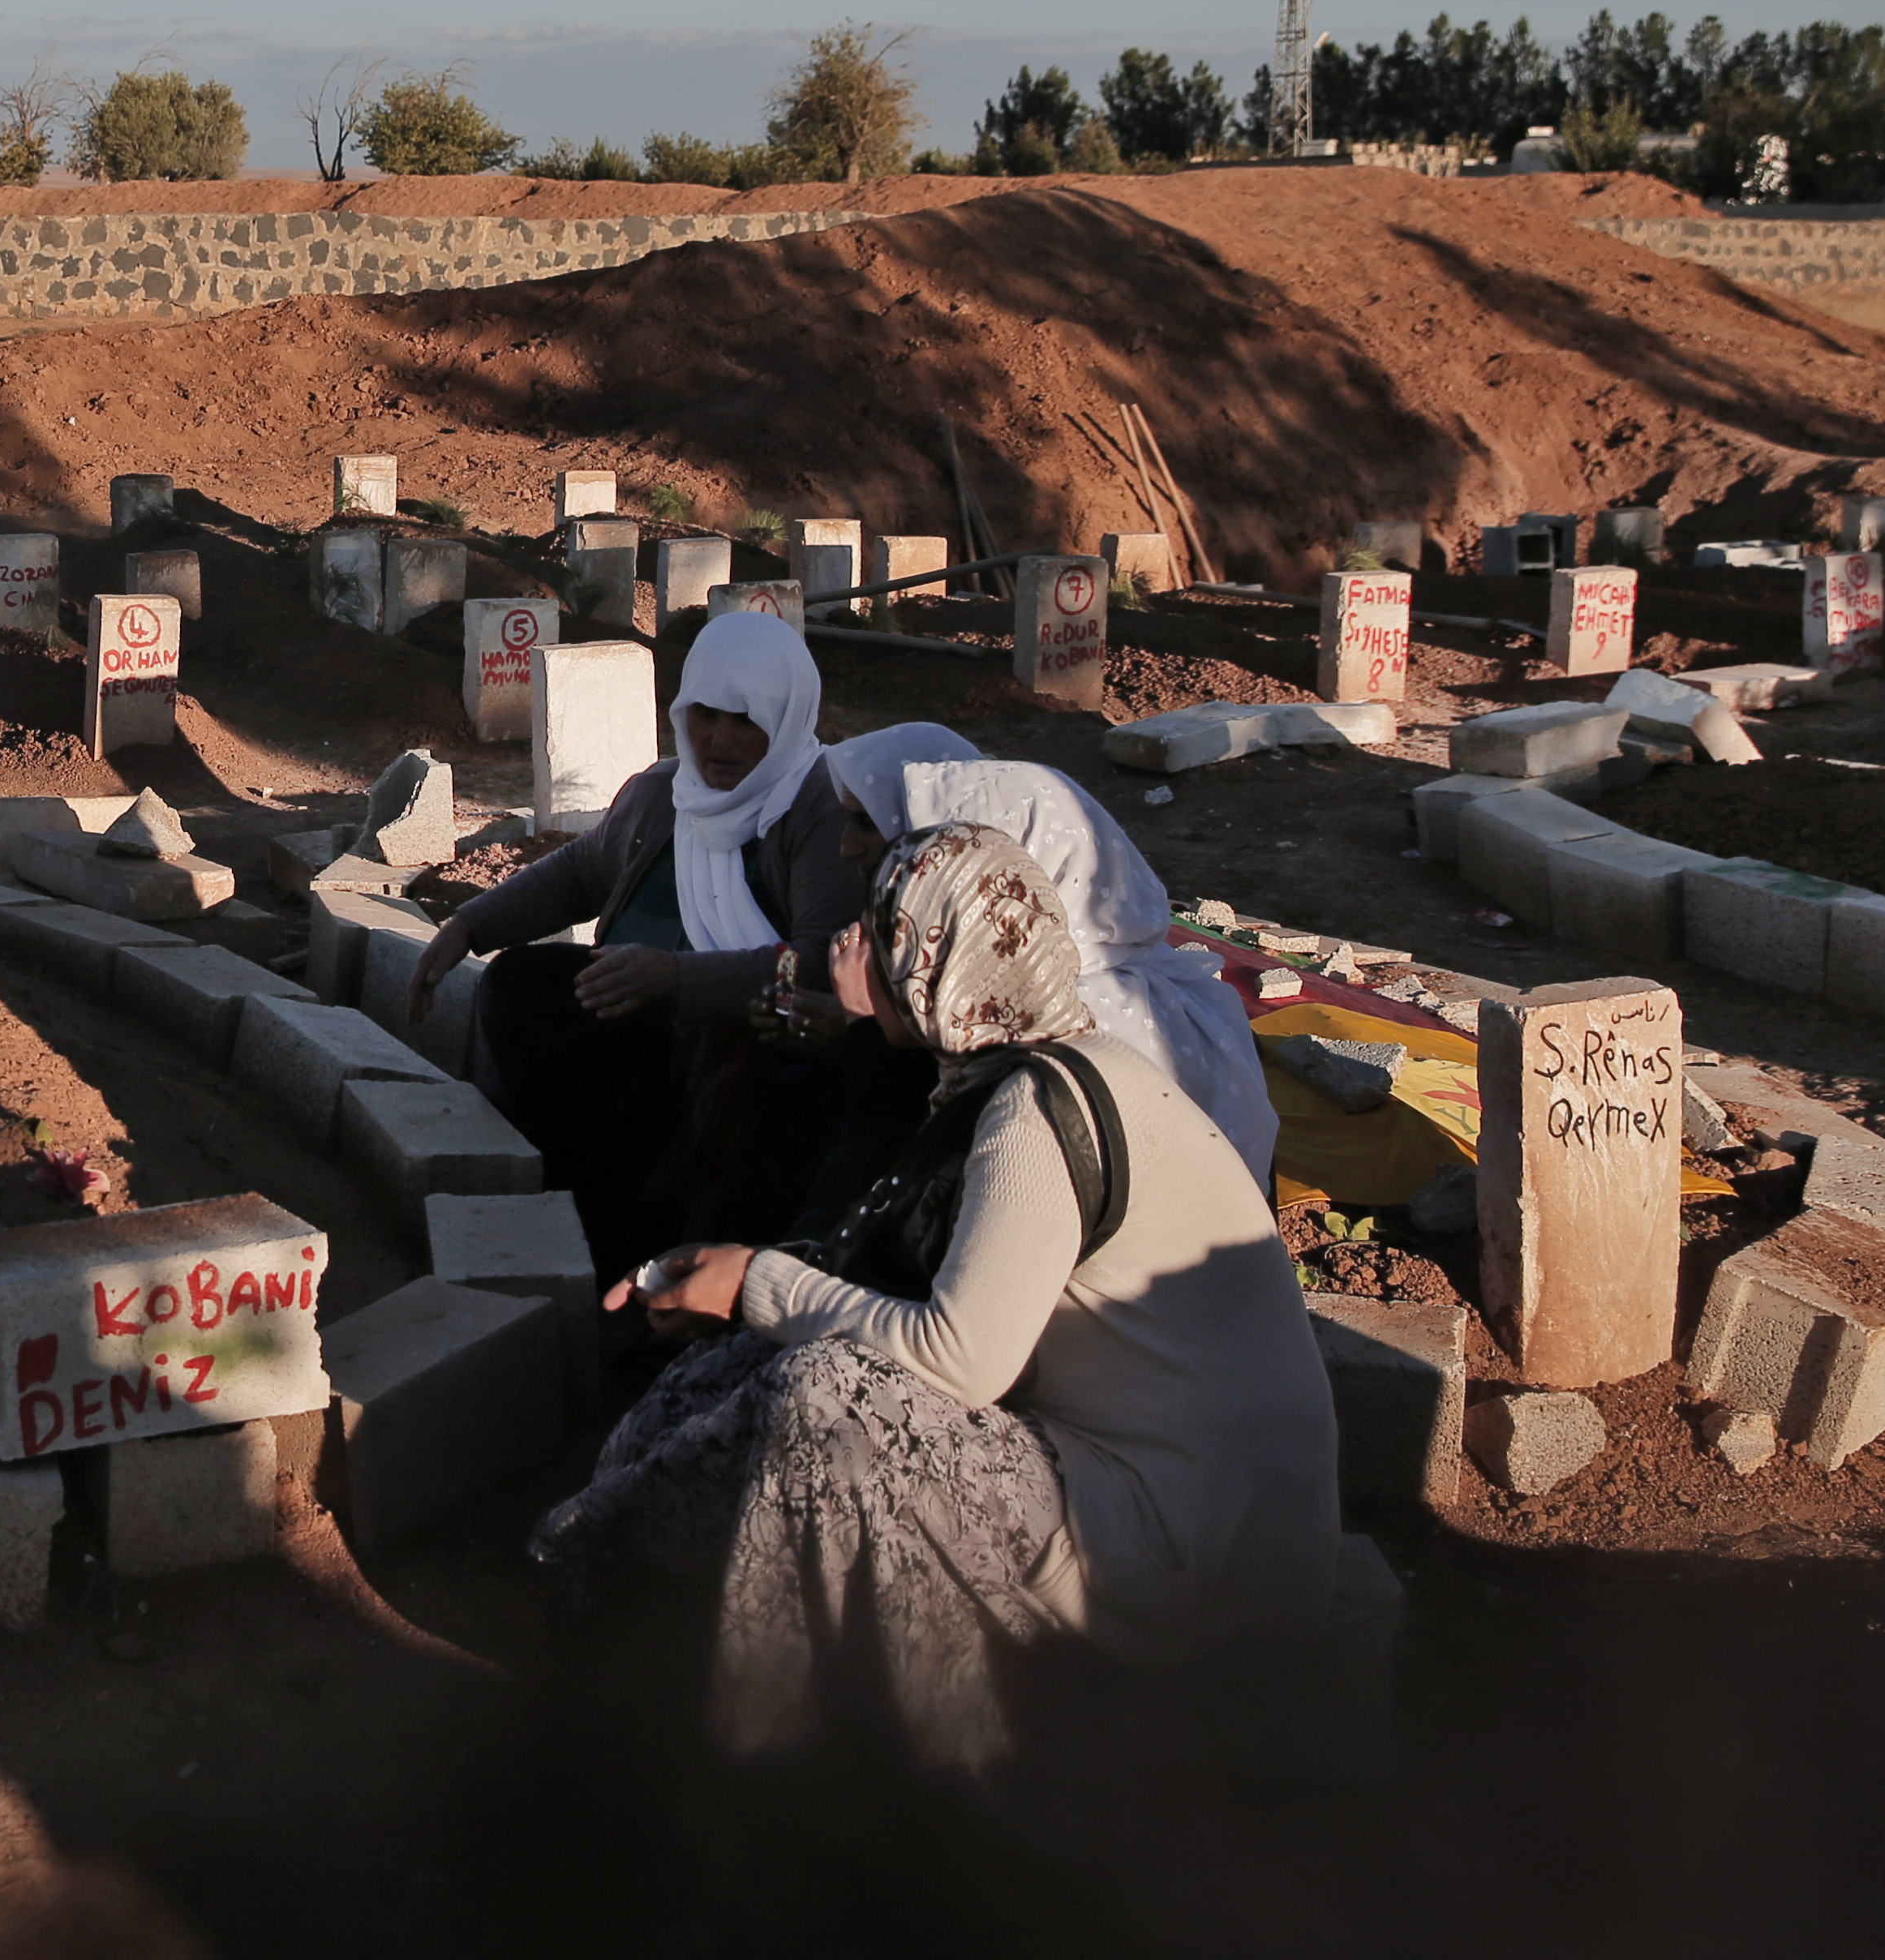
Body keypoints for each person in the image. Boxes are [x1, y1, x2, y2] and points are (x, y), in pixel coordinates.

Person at [529, 820, 1339, 1772]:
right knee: (774, 1349)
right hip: (1154, 1497)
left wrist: (755, 1281)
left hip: (1190, 1550)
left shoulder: (1040, 1109)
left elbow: (960, 1357)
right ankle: (602, 1561)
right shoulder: (1005, 1076)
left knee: (831, 1395)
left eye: (878, 927)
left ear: (936, 965)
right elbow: (869, 1264)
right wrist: (731, 1280)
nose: (844, 941)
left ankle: (793, 1754)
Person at [407, 610, 862, 1270]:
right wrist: (469, 926)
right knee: (519, 989)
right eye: (706, 715)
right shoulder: (663, 794)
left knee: (747, 1067)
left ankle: (672, 1262)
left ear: (787, 718)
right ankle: (553, 1208)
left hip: (747, 1042)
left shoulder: (818, 811)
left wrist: (678, 981)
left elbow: (818, 968)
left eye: (745, 721)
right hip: (638, 1021)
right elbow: (580, 872)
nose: (720, 741)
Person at [771, 728, 1279, 1193]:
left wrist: (868, 1029)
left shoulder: (1062, 1023)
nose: (845, 848)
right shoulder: (1122, 995)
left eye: (869, 824)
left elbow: (914, 1183)